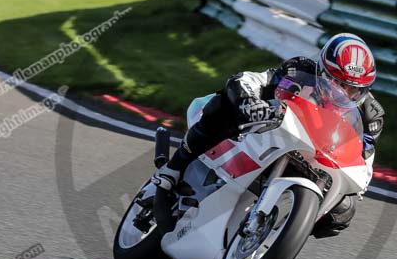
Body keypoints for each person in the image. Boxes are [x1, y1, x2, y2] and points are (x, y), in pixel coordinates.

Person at [152, 33, 384, 233]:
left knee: (342, 212)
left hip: (317, 161)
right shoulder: (299, 70)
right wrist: (250, 101)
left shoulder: (371, 116)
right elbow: (249, 80)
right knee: (224, 103)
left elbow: (364, 164)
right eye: (337, 82)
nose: (343, 92)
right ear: (322, 71)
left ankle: (279, 232)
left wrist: (352, 190)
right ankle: (173, 169)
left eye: (353, 89)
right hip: (266, 132)